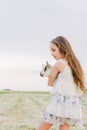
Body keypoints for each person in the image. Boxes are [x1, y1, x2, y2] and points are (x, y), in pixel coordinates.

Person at [36, 36, 86, 130]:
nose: (52, 53)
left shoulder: (58, 64)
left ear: (62, 48)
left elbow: (50, 83)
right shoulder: (75, 64)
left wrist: (50, 73)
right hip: (72, 105)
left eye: (54, 50)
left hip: (59, 104)